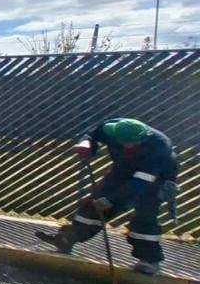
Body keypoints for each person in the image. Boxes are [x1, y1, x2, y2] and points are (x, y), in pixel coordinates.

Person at [36, 118, 179, 275]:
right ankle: (67, 239)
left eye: (132, 144)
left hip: (155, 178)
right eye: (124, 143)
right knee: (94, 205)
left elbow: (139, 184)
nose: (128, 146)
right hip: (122, 170)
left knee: (144, 216)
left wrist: (112, 200)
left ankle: (149, 260)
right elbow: (91, 135)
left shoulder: (159, 146)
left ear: (141, 139)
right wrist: (87, 144)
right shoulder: (110, 128)